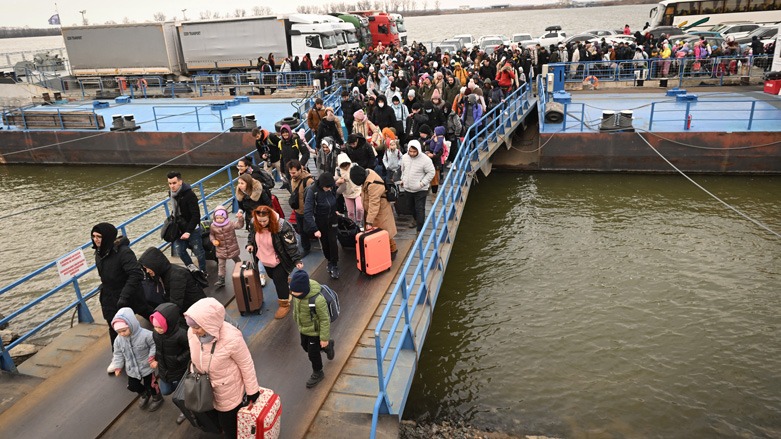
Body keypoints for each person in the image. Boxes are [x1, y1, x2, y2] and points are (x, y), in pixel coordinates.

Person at [184, 298, 260, 438]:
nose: (193, 331)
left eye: (196, 327)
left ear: (208, 323)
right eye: (191, 327)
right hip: (205, 390)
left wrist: (252, 390)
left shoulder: (232, 337)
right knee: (215, 422)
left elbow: (246, 363)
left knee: (230, 427)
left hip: (228, 393)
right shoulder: (191, 333)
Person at [91, 223, 150, 361]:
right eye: (93, 236)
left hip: (129, 294)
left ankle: (165, 326)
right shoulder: (99, 253)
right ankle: (117, 356)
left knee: (145, 310)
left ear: (107, 237)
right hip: (109, 295)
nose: (96, 239)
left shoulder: (124, 252)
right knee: (113, 325)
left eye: (99, 236)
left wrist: (124, 295)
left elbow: (136, 274)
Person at [246, 205, 304, 319]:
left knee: (278, 280)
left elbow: (290, 245)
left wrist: (297, 259)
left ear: (270, 218)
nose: (262, 223)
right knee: (272, 276)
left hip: (280, 258)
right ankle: (285, 281)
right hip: (265, 257)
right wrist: (250, 244)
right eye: (260, 221)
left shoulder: (282, 226)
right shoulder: (254, 223)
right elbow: (252, 234)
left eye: (264, 221)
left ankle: (284, 303)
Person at [110, 307, 163, 412]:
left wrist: (152, 357)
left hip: (146, 366)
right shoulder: (119, 340)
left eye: (124, 330)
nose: (122, 334)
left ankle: (157, 397)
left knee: (151, 384)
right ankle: (144, 393)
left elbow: (154, 345)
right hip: (132, 368)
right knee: (132, 385)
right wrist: (118, 366)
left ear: (131, 325)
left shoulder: (146, 335)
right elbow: (118, 353)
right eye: (119, 332)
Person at [289, 269, 333, 389]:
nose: (292, 293)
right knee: (305, 347)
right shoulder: (297, 295)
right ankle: (327, 346)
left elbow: (324, 319)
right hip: (303, 328)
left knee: (313, 354)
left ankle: (318, 372)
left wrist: (324, 337)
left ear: (304, 290)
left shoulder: (317, 300)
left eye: (295, 291)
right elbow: (296, 310)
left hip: (315, 331)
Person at [138, 247, 206, 319]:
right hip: (188, 305)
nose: (147, 271)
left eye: (148, 268)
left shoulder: (177, 276)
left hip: (196, 309)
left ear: (155, 264)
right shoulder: (164, 273)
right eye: (145, 269)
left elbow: (176, 304)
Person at [148, 303, 189, 424]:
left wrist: (178, 359)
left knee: (179, 395)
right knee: (165, 391)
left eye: (160, 327)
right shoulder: (156, 334)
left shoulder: (180, 335)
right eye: (155, 327)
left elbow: (190, 349)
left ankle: (185, 410)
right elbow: (158, 348)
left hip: (178, 370)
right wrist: (155, 359)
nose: (157, 330)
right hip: (164, 368)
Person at [349, 165, 398, 256]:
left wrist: (369, 222)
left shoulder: (373, 184)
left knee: (385, 233)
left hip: (380, 212)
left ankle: (392, 251)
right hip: (373, 212)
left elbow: (374, 204)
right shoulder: (367, 175)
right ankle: (385, 251)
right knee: (381, 233)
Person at [167, 172, 207, 272]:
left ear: (180, 182)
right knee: (180, 251)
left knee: (199, 252)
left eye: (174, 183)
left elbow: (196, 215)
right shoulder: (171, 194)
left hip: (191, 228)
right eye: (170, 183)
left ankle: (203, 271)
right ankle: (193, 270)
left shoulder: (190, 195)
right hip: (179, 228)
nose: (172, 186)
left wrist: (189, 231)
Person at [303, 173, 340, 279]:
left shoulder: (330, 188)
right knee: (325, 243)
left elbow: (332, 200)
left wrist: (335, 210)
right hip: (321, 220)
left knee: (333, 241)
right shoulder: (312, 191)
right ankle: (329, 260)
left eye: (330, 187)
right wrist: (314, 229)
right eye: (327, 187)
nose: (329, 189)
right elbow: (308, 212)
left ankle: (335, 264)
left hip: (332, 218)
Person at [400, 140, 436, 232]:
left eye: (414, 151)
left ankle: (420, 230)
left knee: (420, 208)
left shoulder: (425, 160)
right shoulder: (404, 158)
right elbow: (403, 170)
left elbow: (431, 172)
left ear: (418, 150)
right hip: (408, 188)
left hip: (420, 189)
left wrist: (422, 183)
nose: (412, 153)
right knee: (410, 206)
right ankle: (415, 219)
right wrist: (402, 179)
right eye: (410, 151)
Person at [209, 205, 244, 288]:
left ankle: (242, 272)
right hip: (221, 249)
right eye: (217, 218)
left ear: (225, 217)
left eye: (221, 218)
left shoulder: (230, 224)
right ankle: (221, 279)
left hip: (232, 247)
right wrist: (213, 241)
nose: (219, 220)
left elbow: (239, 225)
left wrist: (240, 219)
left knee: (237, 261)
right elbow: (211, 235)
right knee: (221, 265)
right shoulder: (213, 226)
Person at [288, 159, 315, 257]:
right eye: (290, 173)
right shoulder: (292, 180)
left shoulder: (308, 181)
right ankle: (306, 248)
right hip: (297, 210)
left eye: (294, 173)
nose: (292, 175)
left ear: (300, 170)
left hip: (307, 211)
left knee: (307, 229)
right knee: (301, 230)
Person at [335, 153, 364, 228]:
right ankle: (352, 224)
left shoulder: (354, 166)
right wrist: (338, 182)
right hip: (347, 192)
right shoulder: (338, 170)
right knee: (350, 212)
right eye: (343, 165)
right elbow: (337, 183)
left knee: (359, 208)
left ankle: (359, 221)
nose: (345, 167)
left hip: (358, 190)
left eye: (346, 165)